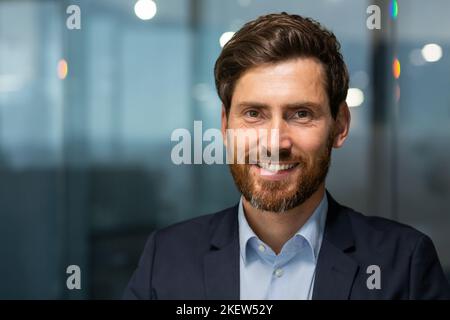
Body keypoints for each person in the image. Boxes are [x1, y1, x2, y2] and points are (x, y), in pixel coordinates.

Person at [123, 12, 450, 299]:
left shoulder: (403, 264)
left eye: (301, 114)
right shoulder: (166, 257)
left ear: (340, 126)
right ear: (225, 125)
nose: (275, 142)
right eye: (253, 113)